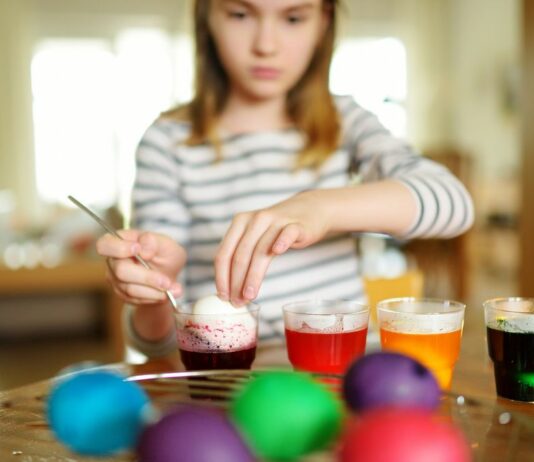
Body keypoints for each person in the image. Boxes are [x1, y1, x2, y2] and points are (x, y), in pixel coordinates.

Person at [96, 0, 474, 357]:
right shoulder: (168, 141)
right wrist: (154, 292)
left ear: (322, 22)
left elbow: (455, 204)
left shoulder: (345, 122)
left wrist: (319, 207)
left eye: (293, 18)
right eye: (241, 15)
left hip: (343, 372)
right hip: (226, 385)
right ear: (206, 14)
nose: (266, 45)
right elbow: (154, 345)